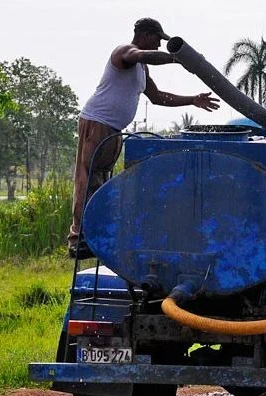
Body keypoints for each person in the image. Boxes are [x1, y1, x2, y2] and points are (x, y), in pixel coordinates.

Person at [68, 17, 221, 259]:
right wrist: (176, 57)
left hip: (114, 129)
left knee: (102, 183)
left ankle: (97, 236)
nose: (159, 45)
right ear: (145, 35)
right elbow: (141, 55)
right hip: (96, 123)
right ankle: (78, 239)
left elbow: (158, 97)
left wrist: (192, 99)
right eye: (157, 40)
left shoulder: (142, 69)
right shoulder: (125, 53)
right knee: (87, 180)